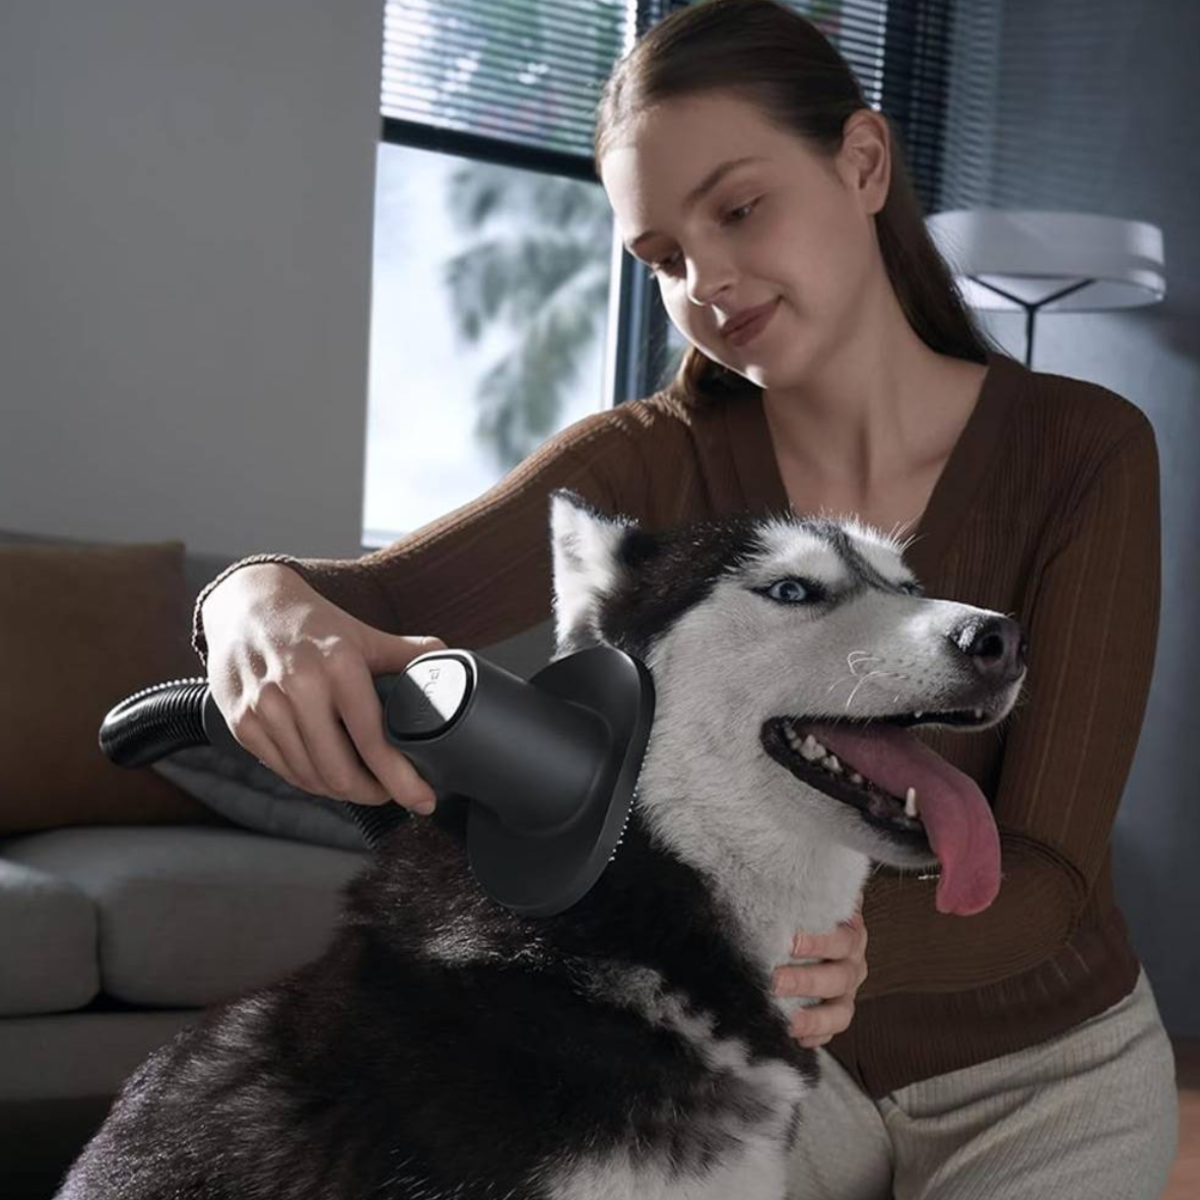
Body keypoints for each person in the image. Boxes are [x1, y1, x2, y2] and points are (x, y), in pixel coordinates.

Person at [193, 1, 1179, 1195]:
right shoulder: (640, 463)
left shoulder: (1085, 447)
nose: (706, 279)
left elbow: (1056, 875)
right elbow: (339, 595)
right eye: (661, 257)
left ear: (862, 164)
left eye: (740, 207)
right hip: (794, 1067)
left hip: (1048, 1076)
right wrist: (248, 602)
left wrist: (865, 944)